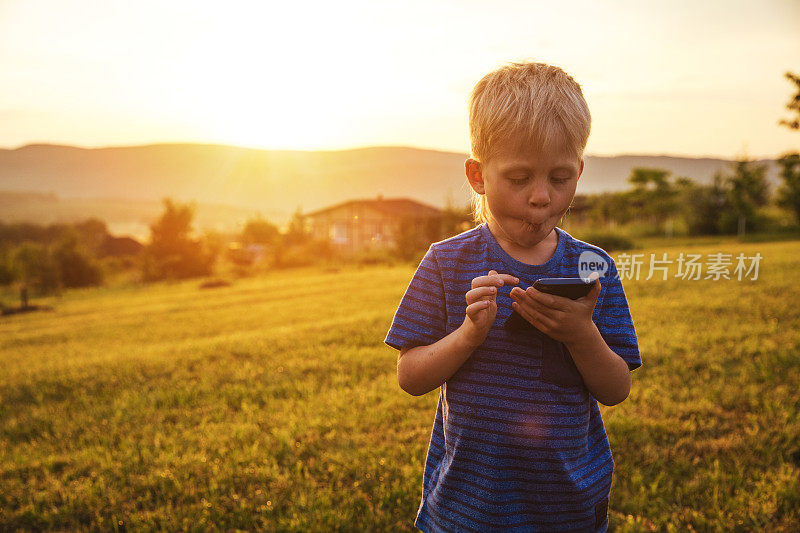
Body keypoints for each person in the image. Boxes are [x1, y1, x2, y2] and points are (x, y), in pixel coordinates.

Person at [384, 61, 642, 532]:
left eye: (560, 178)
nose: (541, 196)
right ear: (478, 176)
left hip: (569, 508)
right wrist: (467, 336)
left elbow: (616, 389)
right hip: (468, 508)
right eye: (519, 179)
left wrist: (580, 334)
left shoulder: (593, 266)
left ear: (579, 172)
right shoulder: (446, 262)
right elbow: (410, 376)